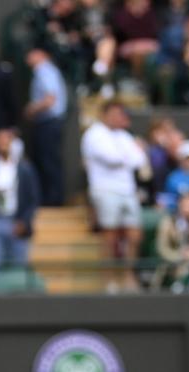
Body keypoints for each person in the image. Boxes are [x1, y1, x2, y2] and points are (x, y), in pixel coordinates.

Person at [81, 101, 147, 290]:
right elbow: (112, 158)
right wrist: (130, 153)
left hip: (127, 191)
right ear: (105, 114)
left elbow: (138, 160)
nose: (120, 118)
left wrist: (128, 155)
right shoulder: (94, 134)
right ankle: (108, 278)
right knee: (109, 236)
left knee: (134, 235)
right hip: (104, 190)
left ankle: (127, 275)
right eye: (117, 114)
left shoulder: (124, 136)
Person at [0, 128, 40, 277]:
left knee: (18, 269)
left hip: (17, 222)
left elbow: (33, 199)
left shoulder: (25, 168)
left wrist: (24, 222)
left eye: (7, 140)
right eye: (0, 140)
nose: (3, 144)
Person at [23, 47, 67, 206]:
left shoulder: (45, 71)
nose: (27, 57)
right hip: (48, 123)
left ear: (42, 54)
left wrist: (31, 109)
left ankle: (52, 200)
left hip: (48, 123)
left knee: (47, 162)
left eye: (31, 53)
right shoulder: (46, 71)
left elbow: (50, 99)